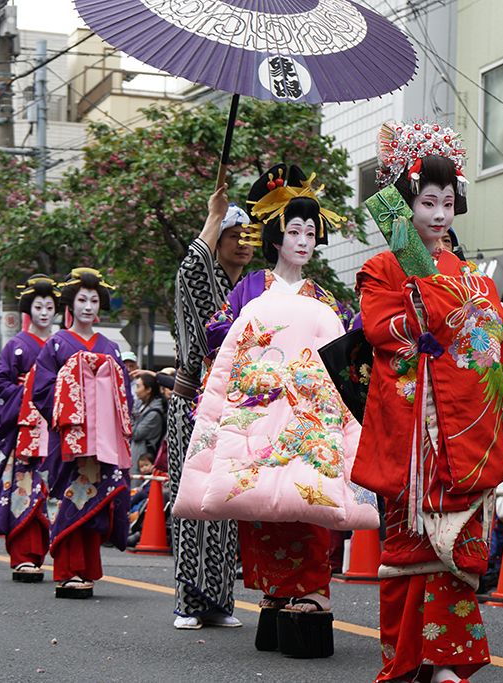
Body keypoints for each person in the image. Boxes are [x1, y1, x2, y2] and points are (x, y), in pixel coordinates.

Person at [354, 120, 503, 683]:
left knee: (458, 547)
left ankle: (446, 660)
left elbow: (492, 343)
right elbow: (383, 331)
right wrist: (433, 307)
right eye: (426, 202)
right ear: (406, 206)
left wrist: (500, 385)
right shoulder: (383, 266)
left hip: (462, 431)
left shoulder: (474, 277)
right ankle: (405, 658)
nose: (438, 214)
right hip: (410, 431)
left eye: (448, 203)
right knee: (407, 546)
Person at [174, 162, 369, 654]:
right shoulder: (250, 289)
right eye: (293, 231)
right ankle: (277, 593)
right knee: (259, 501)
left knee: (308, 499)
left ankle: (312, 592)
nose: (303, 240)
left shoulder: (325, 298)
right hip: (259, 409)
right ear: (275, 238)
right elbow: (221, 337)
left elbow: (344, 353)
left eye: (310, 231)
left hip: (308, 416)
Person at [167, 187, 252, 629]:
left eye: (248, 234)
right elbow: (190, 271)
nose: (243, 241)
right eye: (232, 234)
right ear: (216, 241)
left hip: (235, 408)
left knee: (226, 499)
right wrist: (212, 217)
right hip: (194, 402)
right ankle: (188, 599)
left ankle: (219, 601)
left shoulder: (253, 291)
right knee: (194, 496)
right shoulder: (201, 282)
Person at [32, 268, 132, 599]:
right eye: (81, 300)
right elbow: (41, 388)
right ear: (70, 306)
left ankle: (87, 568)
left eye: (93, 300)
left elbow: (124, 393)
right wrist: (69, 409)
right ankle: (67, 570)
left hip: (103, 439)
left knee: (97, 499)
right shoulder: (57, 344)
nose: (88, 306)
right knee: (71, 495)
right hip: (72, 437)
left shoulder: (110, 345)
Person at [0, 275, 60, 582]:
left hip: (54, 427)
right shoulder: (16, 345)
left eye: (50, 307)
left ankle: (41, 553)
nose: (44, 312)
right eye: (38, 306)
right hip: (26, 428)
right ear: (29, 309)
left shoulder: (61, 343)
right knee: (23, 489)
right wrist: (29, 389)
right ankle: (23, 556)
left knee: (50, 491)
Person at [130, 372, 166, 474]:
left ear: (148, 390)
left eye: (138, 387)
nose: (136, 391)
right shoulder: (140, 405)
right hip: (136, 456)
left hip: (143, 460)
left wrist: (130, 420)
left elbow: (136, 434)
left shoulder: (154, 413)